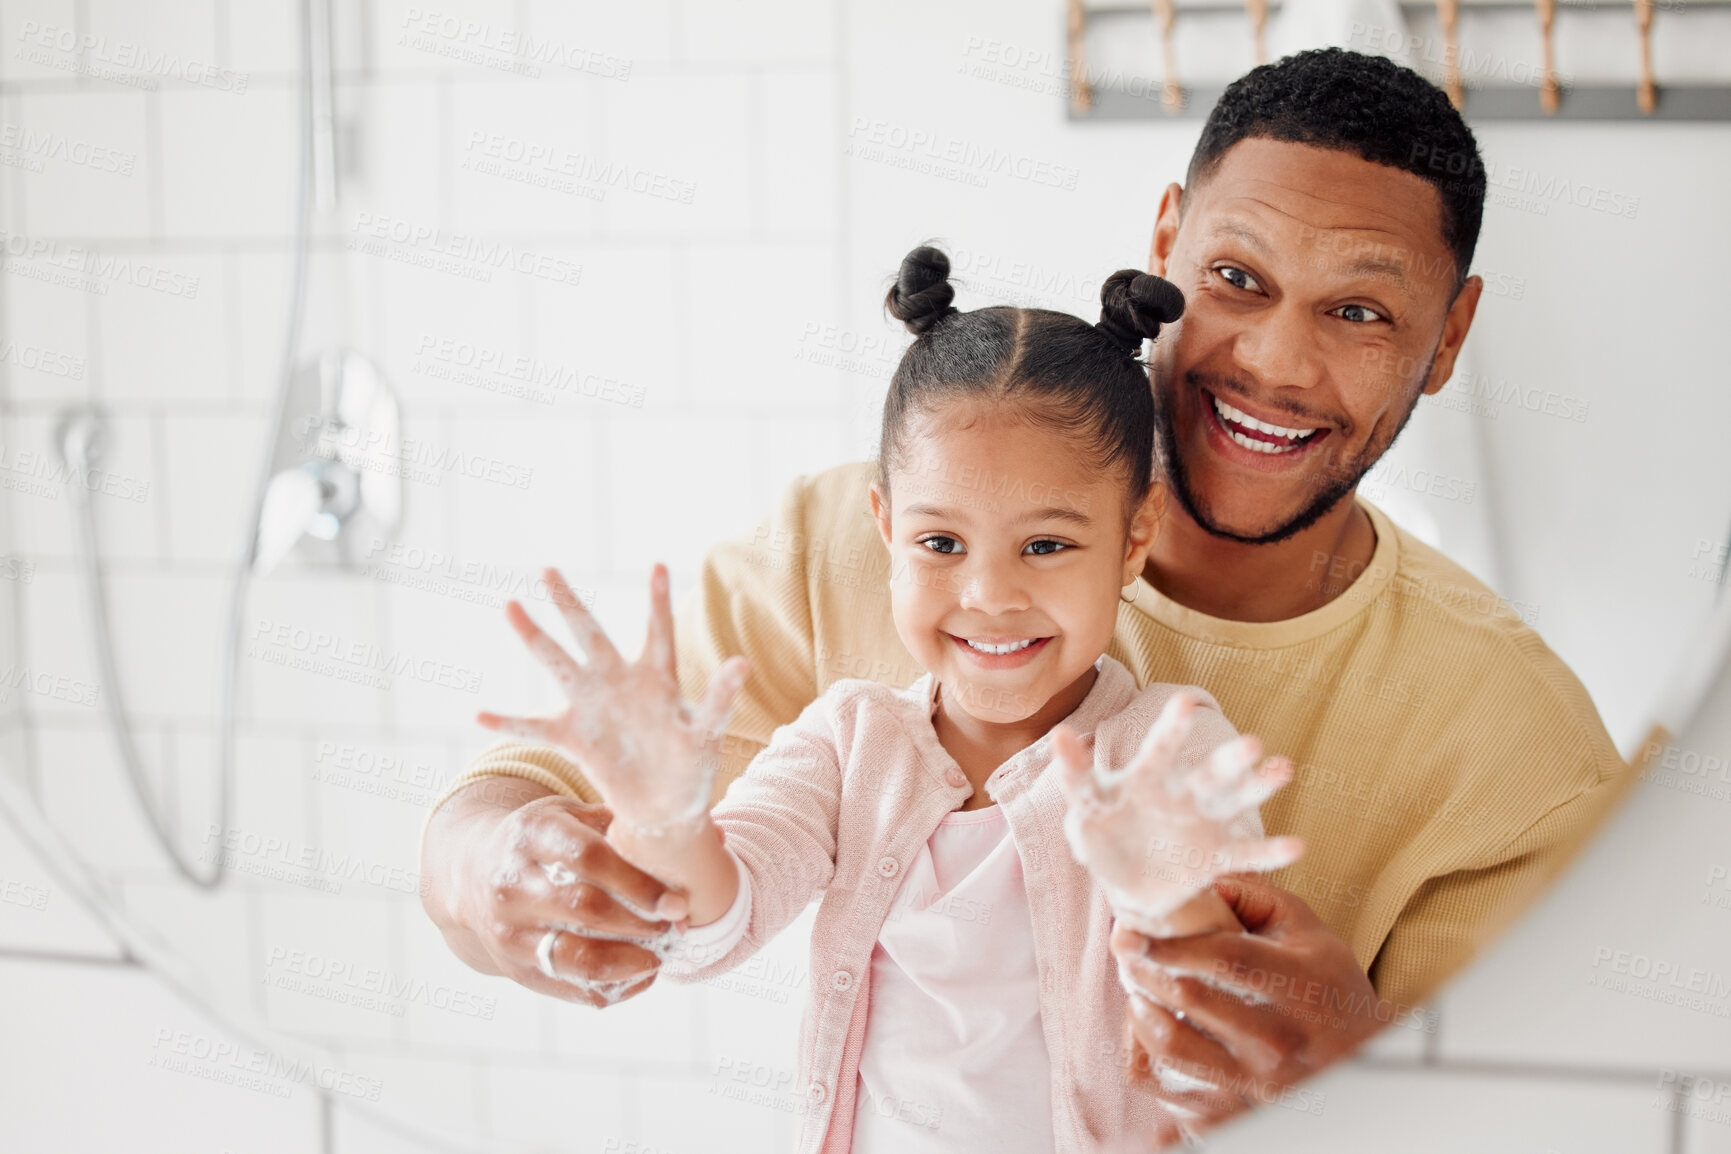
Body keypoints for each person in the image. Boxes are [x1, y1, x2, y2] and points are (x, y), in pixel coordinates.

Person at [418, 48, 1631, 1138]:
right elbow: (543, 815)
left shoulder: (1515, 746)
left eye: (1359, 310)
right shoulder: (865, 542)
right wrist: (498, 871)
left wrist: (1376, 1084)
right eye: (1237, 277)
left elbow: (1556, 1120)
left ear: (1451, 332)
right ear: (1167, 245)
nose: (1275, 362)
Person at [471, 250, 1307, 1152]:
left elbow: (1223, 1072)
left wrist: (1163, 901)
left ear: (1133, 538)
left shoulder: (1163, 752)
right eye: (941, 541)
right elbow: (710, 928)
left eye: (1045, 547)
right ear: (885, 529)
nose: (987, 595)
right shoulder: (849, 739)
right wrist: (664, 818)